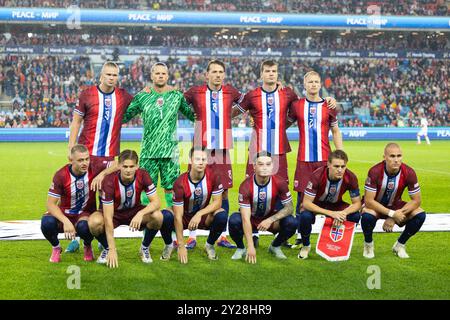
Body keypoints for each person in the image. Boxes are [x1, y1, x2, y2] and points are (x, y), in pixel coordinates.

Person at [66, 61, 133, 253]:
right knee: (82, 199)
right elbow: (76, 121)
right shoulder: (87, 94)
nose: (112, 78)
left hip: (110, 159)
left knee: (105, 202)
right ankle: (80, 241)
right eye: (108, 74)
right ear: (101, 76)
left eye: (115, 75)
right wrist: (72, 148)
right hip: (86, 156)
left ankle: (104, 242)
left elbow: (143, 100)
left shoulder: (123, 96)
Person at [183, 59, 243, 249]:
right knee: (194, 190)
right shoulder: (195, 92)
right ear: (206, 74)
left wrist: (228, 116)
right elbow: (175, 102)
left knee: (223, 192)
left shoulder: (231, 92)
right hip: (201, 148)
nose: (217, 75)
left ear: (224, 75)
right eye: (214, 72)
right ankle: (191, 236)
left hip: (222, 149)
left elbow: (248, 102)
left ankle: (222, 236)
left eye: (220, 72)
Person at [122, 62, 195, 210]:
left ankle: (173, 226)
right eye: (157, 73)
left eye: (163, 73)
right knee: (146, 189)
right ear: (152, 76)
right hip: (149, 152)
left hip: (170, 152)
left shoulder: (176, 96)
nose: (160, 76)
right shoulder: (142, 96)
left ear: (168, 76)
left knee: (172, 190)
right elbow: (124, 116)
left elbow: (194, 116)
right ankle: (147, 226)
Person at [287, 70, 343, 248]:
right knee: (302, 200)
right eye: (310, 82)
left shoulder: (329, 106)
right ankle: (300, 236)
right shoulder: (297, 106)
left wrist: (340, 153)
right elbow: (283, 125)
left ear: (320, 85)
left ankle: (329, 238)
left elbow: (335, 131)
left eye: (316, 82)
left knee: (328, 196)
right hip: (304, 161)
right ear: (304, 85)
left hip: (324, 160)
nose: (313, 85)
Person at [96, 149, 174, 268]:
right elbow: (107, 216)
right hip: (115, 213)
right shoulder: (109, 181)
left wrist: (140, 214)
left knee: (158, 216)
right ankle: (107, 248)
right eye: (125, 166)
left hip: (134, 212)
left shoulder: (143, 175)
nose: (128, 170)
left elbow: (156, 202)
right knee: (94, 222)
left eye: (131, 166)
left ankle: (144, 247)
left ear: (137, 166)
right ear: (119, 166)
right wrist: (112, 248)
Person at [228, 151, 297, 263]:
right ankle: (241, 248)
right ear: (254, 167)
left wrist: (270, 220)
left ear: (272, 166)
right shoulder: (245, 186)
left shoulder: (280, 182)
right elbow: (245, 219)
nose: (265, 167)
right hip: (250, 220)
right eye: (261, 164)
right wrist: (250, 246)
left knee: (292, 222)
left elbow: (289, 208)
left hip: (270, 221)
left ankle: (275, 246)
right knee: (234, 220)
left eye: (268, 164)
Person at [40, 144, 105, 263]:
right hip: (65, 214)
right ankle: (56, 247)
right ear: (71, 160)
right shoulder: (61, 175)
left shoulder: (94, 168)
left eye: (87, 159)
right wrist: (66, 221)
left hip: (85, 213)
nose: (85, 163)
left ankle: (87, 246)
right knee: (46, 222)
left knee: (85, 227)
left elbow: (117, 164)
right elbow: (50, 204)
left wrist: (101, 175)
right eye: (80, 160)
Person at [361, 143, 426, 259]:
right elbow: (369, 201)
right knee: (367, 216)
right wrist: (391, 214)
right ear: (384, 157)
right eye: (392, 156)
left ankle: (400, 245)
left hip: (395, 205)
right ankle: (368, 245)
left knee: (420, 214)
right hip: (375, 206)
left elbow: (416, 201)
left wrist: (393, 217)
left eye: (399, 156)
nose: (396, 160)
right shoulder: (375, 171)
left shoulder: (409, 172)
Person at [297, 150, 361, 259]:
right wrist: (332, 214)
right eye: (336, 166)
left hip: (336, 204)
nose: (340, 170)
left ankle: (339, 244)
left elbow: (357, 204)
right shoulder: (317, 175)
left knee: (355, 215)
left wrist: (342, 214)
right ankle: (306, 245)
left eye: (343, 166)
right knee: (305, 216)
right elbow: (306, 203)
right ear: (328, 164)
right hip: (316, 204)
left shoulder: (351, 177)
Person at [170, 147, 229, 264]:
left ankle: (209, 245)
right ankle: (169, 245)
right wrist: (182, 246)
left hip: (203, 218)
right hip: (184, 218)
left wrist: (199, 213)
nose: (201, 162)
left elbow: (218, 202)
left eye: (203, 159)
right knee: (166, 216)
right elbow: (178, 216)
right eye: (197, 159)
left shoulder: (214, 176)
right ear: (190, 160)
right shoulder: (180, 182)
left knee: (222, 215)